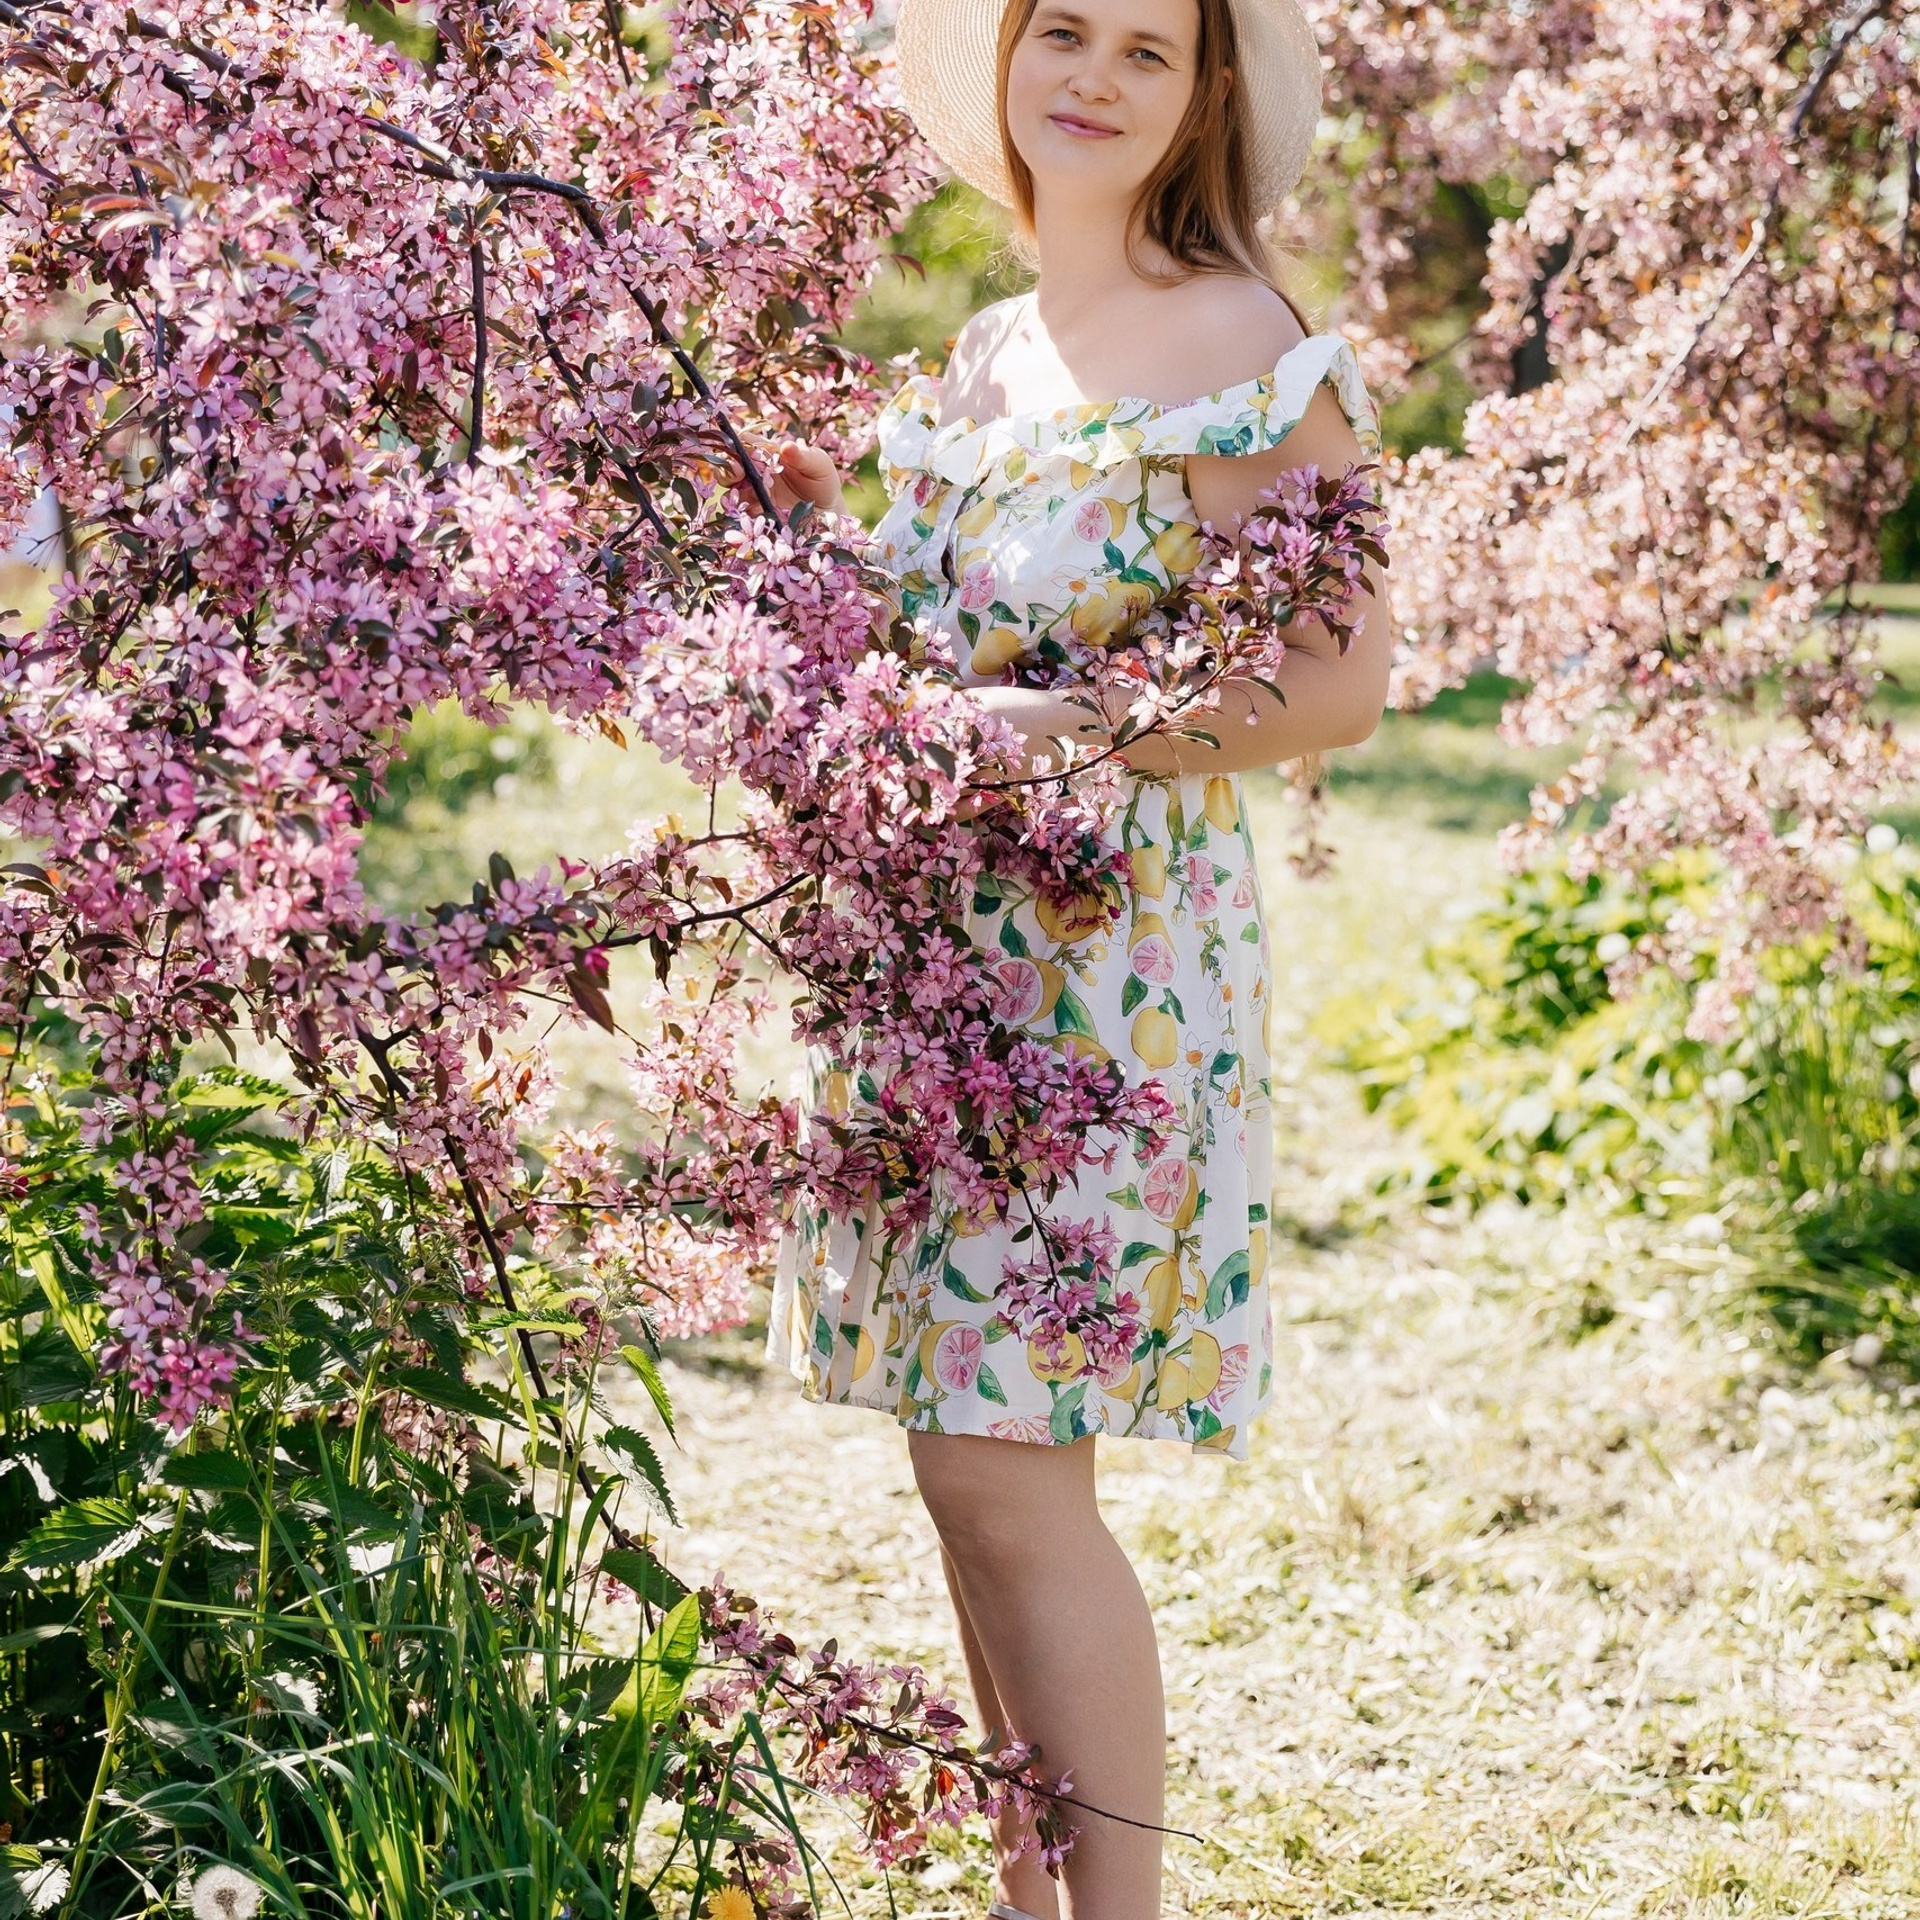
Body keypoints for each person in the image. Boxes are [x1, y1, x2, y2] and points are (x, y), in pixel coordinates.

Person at [761, 3, 1393, 1914]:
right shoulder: (982, 351)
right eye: (1064, 32)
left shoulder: (1246, 345)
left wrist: (1025, 737)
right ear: (1012, 64)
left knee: (1015, 1478)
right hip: (925, 968)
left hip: (1102, 981)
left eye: (1147, 48)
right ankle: (1028, 1902)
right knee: (965, 1474)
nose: (1096, 77)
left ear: (1200, 96)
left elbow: (1336, 683)